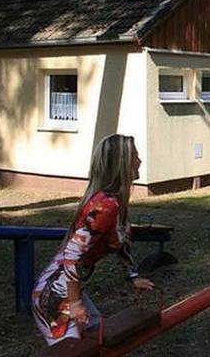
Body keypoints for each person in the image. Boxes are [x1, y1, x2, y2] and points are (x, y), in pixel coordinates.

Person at [32, 134, 155, 345]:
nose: (140, 161)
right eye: (135, 156)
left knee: (97, 340)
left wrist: (133, 276)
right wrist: (75, 302)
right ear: (121, 163)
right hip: (55, 295)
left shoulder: (116, 203)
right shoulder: (105, 206)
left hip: (70, 289)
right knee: (73, 350)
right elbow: (71, 255)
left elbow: (122, 245)